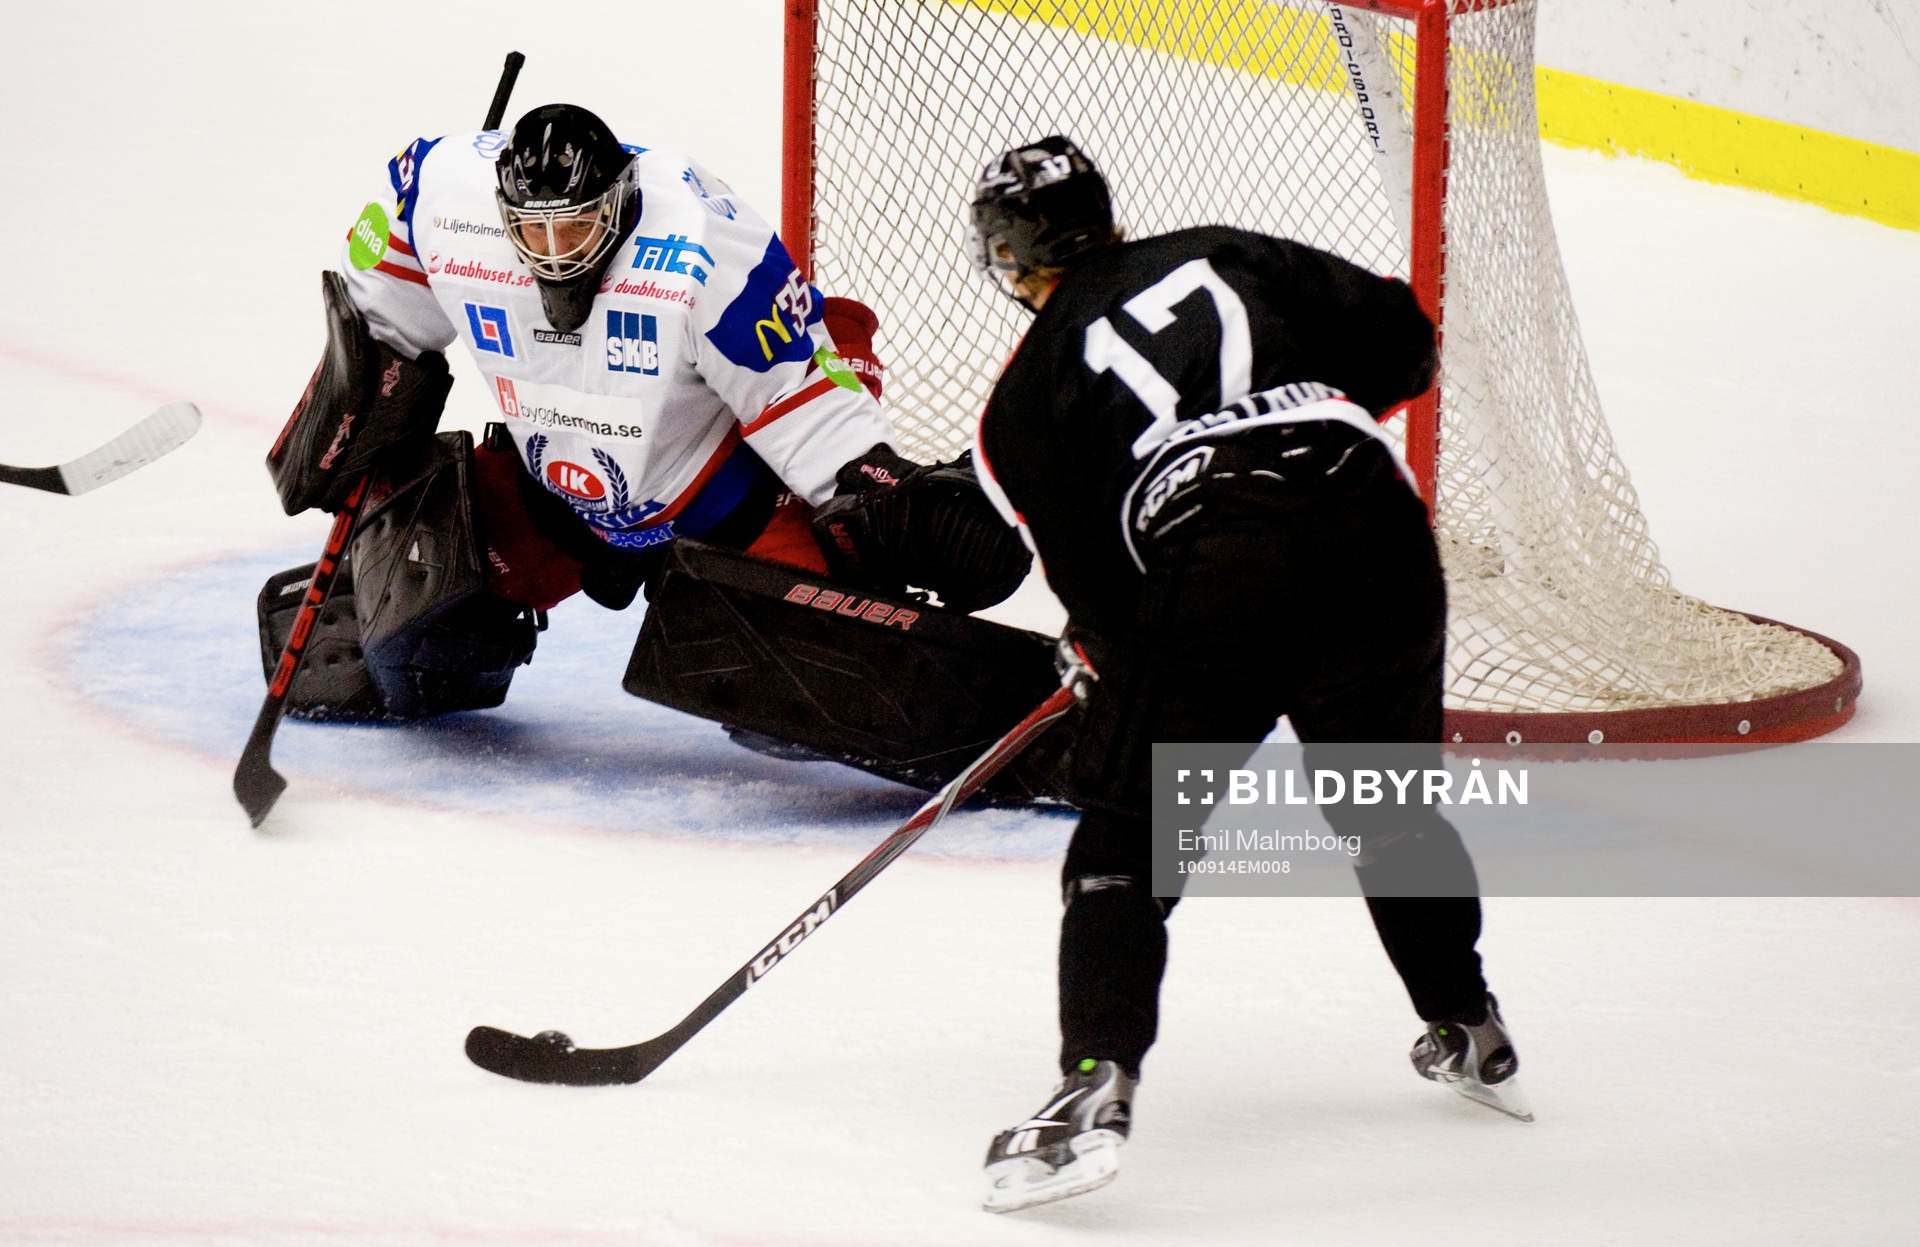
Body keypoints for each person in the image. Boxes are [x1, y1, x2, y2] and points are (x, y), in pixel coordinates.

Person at [964, 137, 1528, 1213]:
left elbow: (1101, 593)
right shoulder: (1226, 250)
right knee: (1385, 804)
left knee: (1129, 833)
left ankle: (1093, 1086)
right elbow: (1407, 340)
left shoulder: (1022, 398)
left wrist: (1111, 657)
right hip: (1375, 517)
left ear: (1008, 262)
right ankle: (1469, 1021)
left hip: (1218, 545)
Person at [260, 102, 1031, 763]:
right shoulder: (445, 192)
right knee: (416, 652)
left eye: (580, 226)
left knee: (806, 686)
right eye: (536, 231)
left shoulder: (702, 250)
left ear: (621, 198)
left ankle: (1145, 772)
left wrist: (883, 495)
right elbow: (380, 298)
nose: (556, 251)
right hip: (558, 498)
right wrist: (361, 400)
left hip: (727, 513)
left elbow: (809, 414)